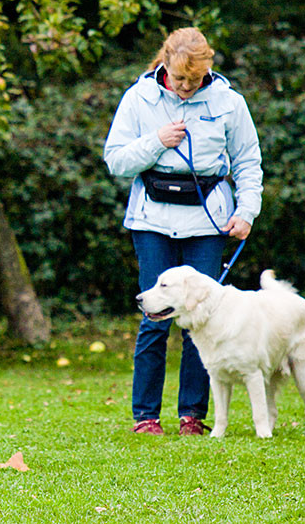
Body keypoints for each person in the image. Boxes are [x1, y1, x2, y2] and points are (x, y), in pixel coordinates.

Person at [103, 27, 263, 436]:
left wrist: (246, 211)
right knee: (154, 316)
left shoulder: (229, 102)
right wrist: (157, 141)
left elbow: (247, 161)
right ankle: (146, 416)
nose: (187, 87)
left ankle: (192, 415)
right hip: (152, 219)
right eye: (179, 79)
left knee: (203, 317)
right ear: (165, 64)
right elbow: (116, 160)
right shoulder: (138, 97)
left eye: (195, 80)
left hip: (208, 221)